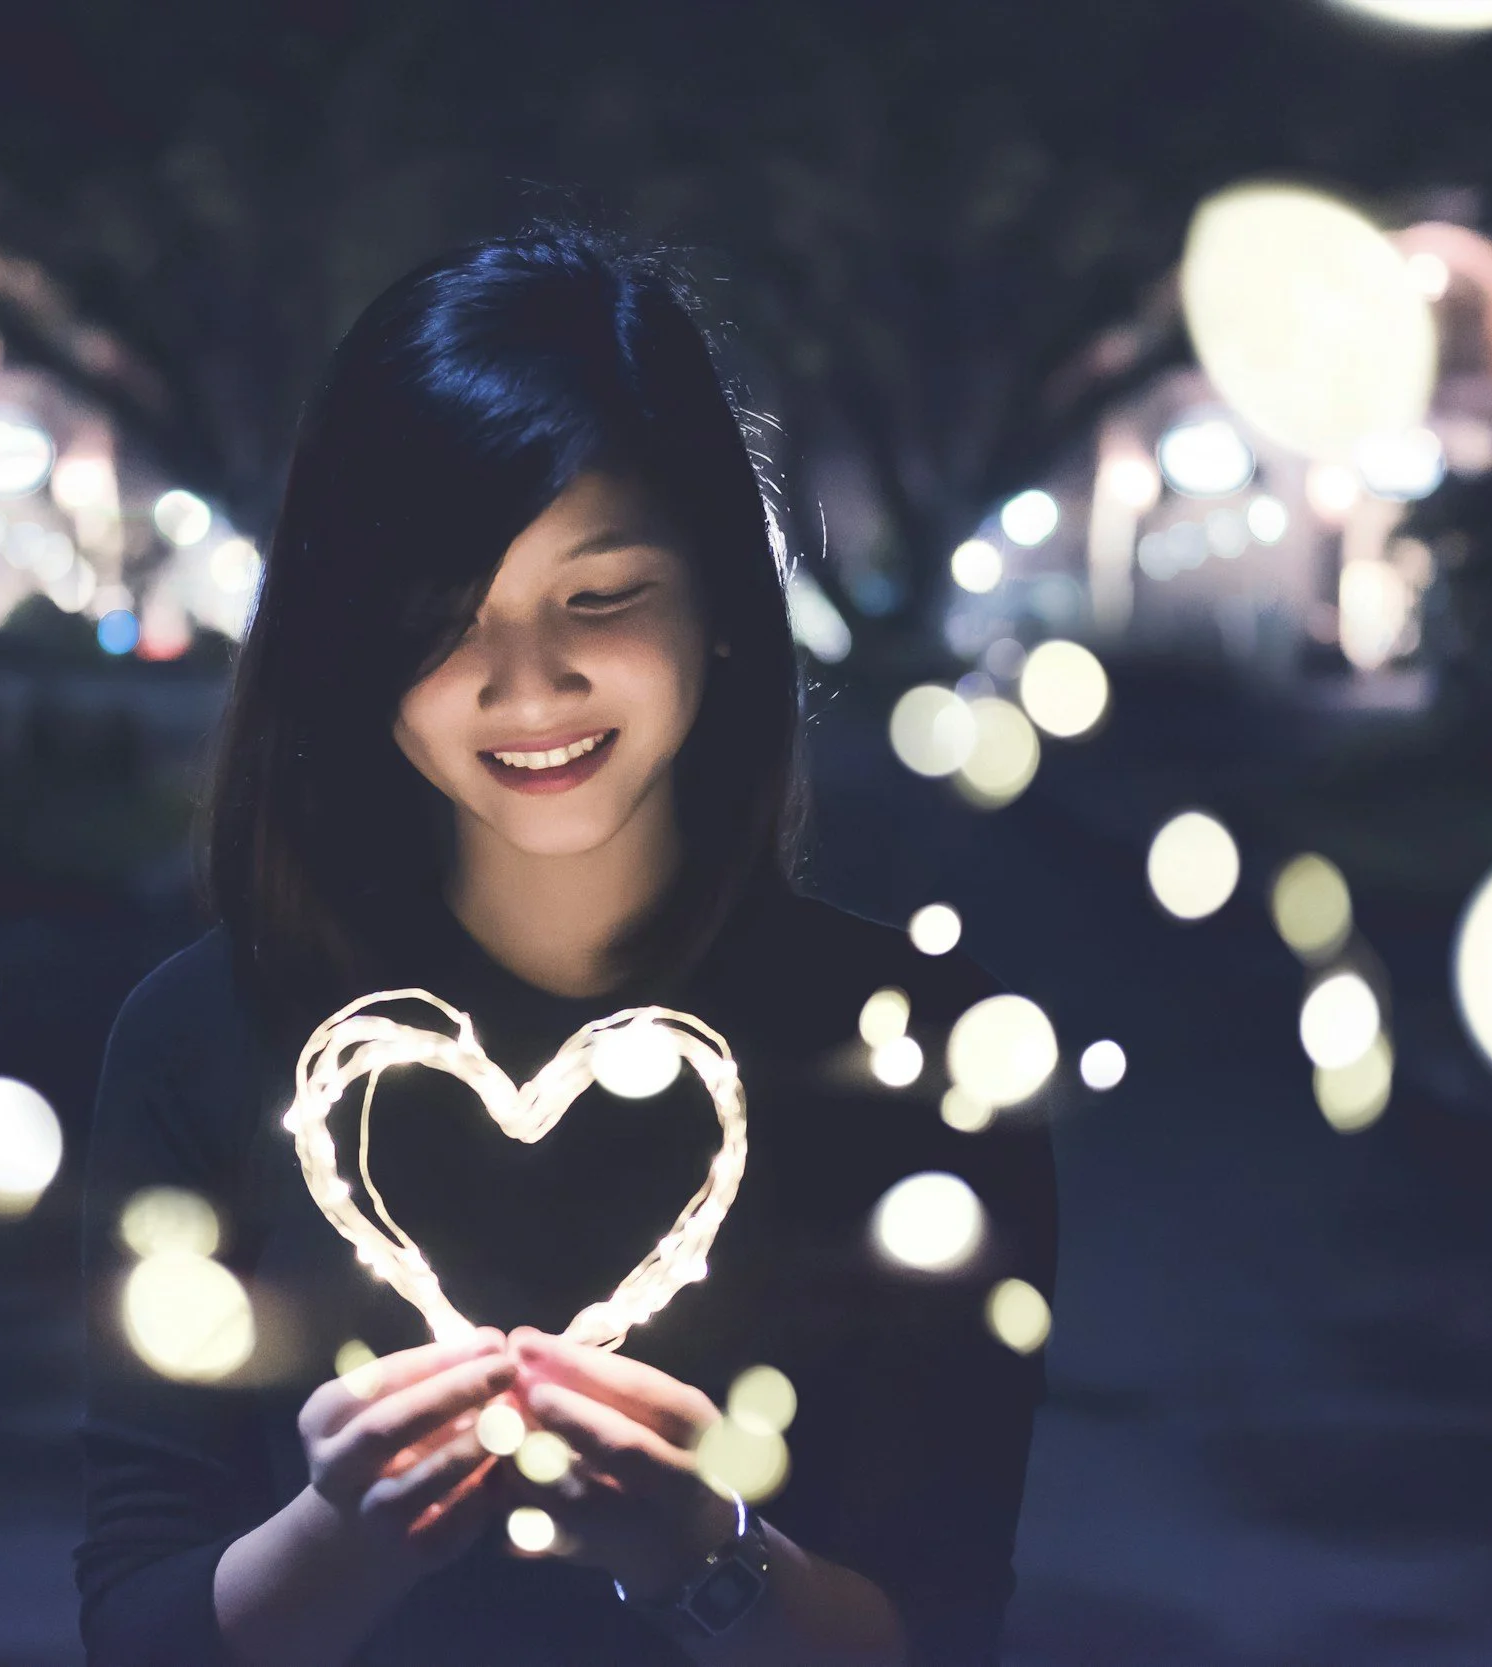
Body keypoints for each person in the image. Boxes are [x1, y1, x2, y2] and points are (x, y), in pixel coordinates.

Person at [75, 221, 1058, 1667]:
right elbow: (136, 1627)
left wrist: (703, 1555)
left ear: (722, 602)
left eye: (601, 597)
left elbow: (941, 1629)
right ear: (351, 642)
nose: (527, 685)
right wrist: (345, 1533)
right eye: (442, 618)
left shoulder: (918, 1054)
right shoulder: (204, 1039)